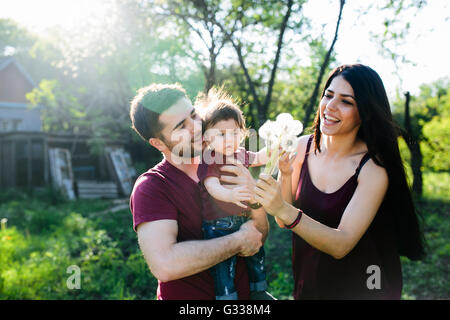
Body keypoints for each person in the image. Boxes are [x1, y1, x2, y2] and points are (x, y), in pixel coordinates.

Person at [254, 64, 425, 299]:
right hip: (311, 284)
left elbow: (341, 244)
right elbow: (284, 220)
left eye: (346, 101)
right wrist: (283, 178)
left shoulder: (373, 168)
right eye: (328, 95)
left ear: (365, 112)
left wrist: (282, 209)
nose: (330, 106)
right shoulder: (302, 146)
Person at [129, 83, 265, 300]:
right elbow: (165, 265)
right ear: (158, 143)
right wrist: (238, 241)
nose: (196, 127)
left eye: (193, 115)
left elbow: (259, 235)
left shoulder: (226, 161)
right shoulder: (152, 187)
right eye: (181, 126)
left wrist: (255, 200)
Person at [195, 88, 273, 300]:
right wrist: (230, 196)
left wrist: (275, 150)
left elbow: (258, 157)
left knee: (256, 254)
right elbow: (211, 185)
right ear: (207, 138)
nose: (229, 139)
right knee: (224, 266)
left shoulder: (240, 153)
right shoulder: (210, 158)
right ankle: (227, 298)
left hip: (242, 219)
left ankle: (259, 289)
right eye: (221, 134)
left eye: (235, 133)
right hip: (218, 224)